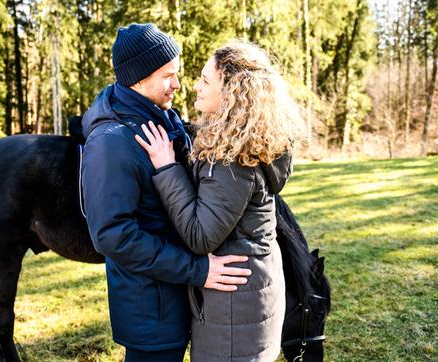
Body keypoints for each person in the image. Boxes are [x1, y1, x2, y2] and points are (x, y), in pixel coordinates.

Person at [80, 24, 252, 362]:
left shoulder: (161, 120)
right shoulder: (112, 143)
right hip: (151, 314)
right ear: (139, 79)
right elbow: (113, 236)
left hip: (177, 299)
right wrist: (197, 269)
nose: (177, 84)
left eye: (177, 73)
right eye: (167, 75)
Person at [135, 41, 300, 361]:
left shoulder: (232, 159)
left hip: (235, 311)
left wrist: (167, 168)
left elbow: (200, 235)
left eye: (205, 80)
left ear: (232, 93)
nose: (194, 85)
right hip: (249, 296)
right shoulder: (244, 139)